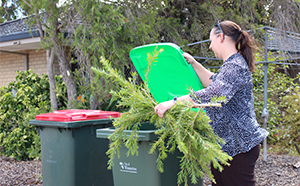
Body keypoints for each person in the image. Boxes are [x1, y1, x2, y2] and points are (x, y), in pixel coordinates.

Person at [154, 20, 269, 186]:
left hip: (239, 147)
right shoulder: (230, 65)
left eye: (211, 41)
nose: (209, 47)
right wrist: (194, 64)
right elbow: (213, 83)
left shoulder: (235, 66)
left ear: (221, 37)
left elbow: (214, 93)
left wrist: (173, 102)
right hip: (226, 147)